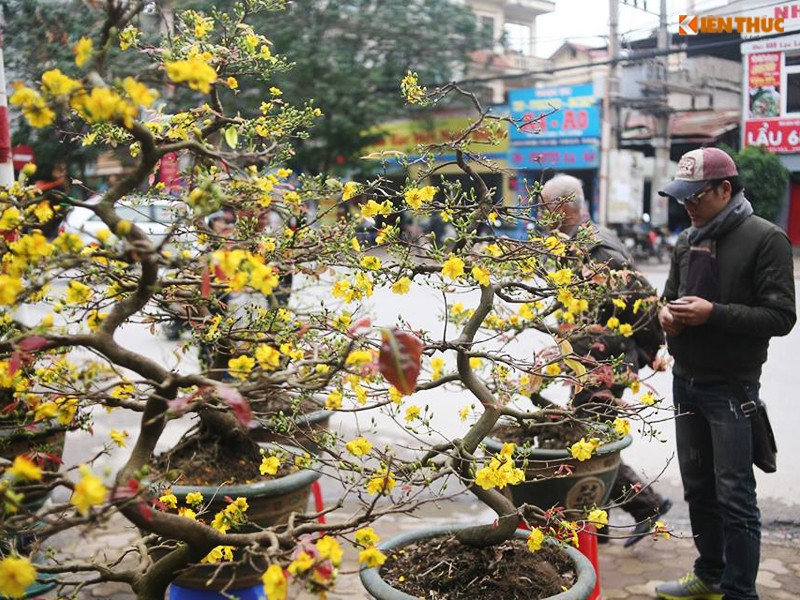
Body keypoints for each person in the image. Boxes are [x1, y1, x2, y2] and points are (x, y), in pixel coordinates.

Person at [655, 147, 796, 600]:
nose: (688, 206)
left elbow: (780, 317)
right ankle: (710, 573)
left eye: (696, 196)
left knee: (736, 497)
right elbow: (669, 295)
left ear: (725, 190)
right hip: (686, 380)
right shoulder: (684, 240)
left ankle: (740, 591)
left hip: (732, 389)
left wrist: (713, 313)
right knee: (698, 488)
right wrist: (666, 315)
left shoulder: (765, 238)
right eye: (683, 198)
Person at [540, 174, 671, 547]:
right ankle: (599, 528)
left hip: (605, 364)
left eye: (543, 206)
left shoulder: (597, 250)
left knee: (590, 444)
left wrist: (642, 356)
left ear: (561, 207)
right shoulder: (575, 244)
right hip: (588, 363)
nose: (537, 213)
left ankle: (646, 505)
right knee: (592, 439)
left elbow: (643, 305)